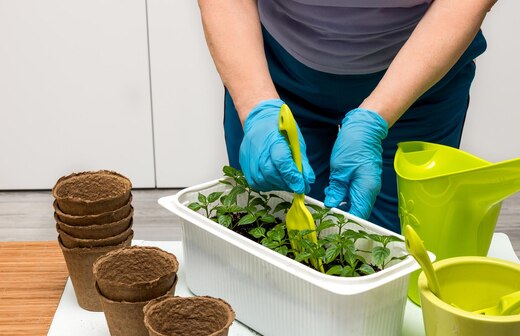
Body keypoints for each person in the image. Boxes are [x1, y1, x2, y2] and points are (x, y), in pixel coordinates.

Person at [198, 0, 495, 233]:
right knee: (274, 235)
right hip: (277, 74)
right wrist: (257, 106)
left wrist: (375, 117)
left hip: (420, 77)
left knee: (400, 247)